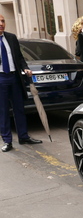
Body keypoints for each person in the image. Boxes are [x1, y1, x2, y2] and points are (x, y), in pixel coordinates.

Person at [0, 14, 42, 152]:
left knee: (19, 108)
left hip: (14, 78)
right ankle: (7, 140)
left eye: (2, 21)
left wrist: (25, 67)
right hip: (1, 79)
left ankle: (23, 136)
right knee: (3, 111)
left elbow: (19, 57)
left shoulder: (11, 37)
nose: (1, 24)